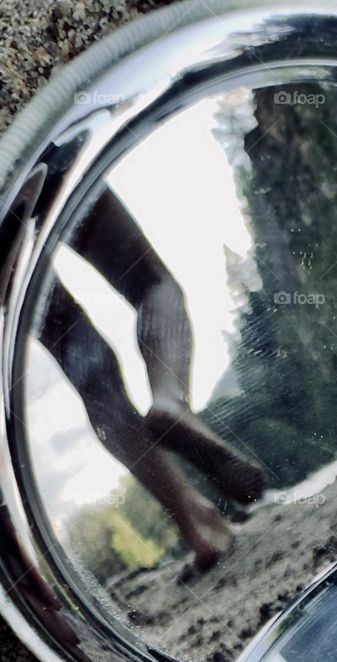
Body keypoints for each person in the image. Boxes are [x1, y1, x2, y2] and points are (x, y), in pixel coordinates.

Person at [40, 187, 265, 571]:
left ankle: (197, 523)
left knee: (84, 363)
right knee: (150, 282)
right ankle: (169, 399)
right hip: (35, 147)